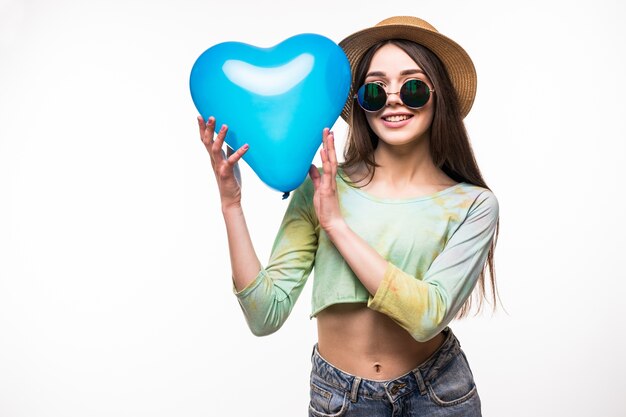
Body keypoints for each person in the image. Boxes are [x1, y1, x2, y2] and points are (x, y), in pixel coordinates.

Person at [198, 15, 500, 417]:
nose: (393, 99)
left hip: (439, 396)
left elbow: (428, 317)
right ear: (360, 102)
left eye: (411, 87)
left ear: (438, 95)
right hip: (339, 400)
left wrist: (336, 226)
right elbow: (264, 315)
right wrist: (231, 204)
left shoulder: (473, 205)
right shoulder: (322, 186)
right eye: (375, 90)